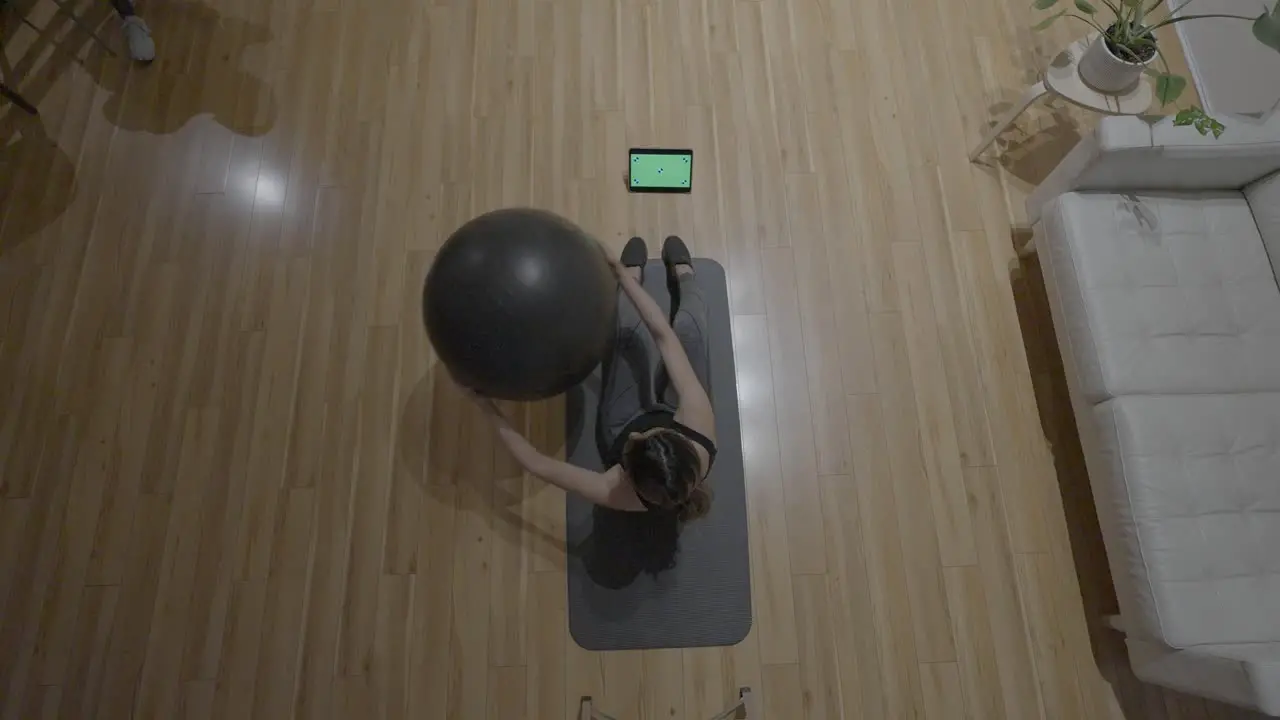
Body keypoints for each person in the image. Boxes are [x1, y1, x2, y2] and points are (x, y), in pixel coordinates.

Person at [468, 235, 717, 523]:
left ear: (628, 477)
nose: (637, 435)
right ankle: (684, 276)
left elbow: (536, 463)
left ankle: (633, 282)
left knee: (628, 334)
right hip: (674, 413)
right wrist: (619, 272)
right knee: (689, 329)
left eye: (634, 443)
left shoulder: (618, 492)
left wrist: (483, 403)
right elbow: (663, 335)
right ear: (680, 440)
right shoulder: (698, 425)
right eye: (648, 435)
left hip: (625, 419)